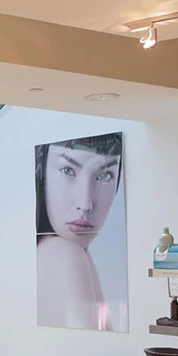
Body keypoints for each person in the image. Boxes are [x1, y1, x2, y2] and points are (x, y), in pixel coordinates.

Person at [36, 133, 123, 331]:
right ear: (41, 175)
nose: (85, 204)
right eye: (67, 170)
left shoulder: (73, 252)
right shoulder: (64, 253)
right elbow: (91, 345)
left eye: (104, 176)